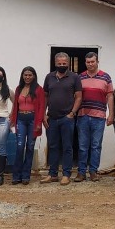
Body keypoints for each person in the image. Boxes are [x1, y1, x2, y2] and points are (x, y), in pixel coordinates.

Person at [41, 53, 82, 185]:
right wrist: (44, 114)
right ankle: (52, 174)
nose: (62, 65)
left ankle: (66, 174)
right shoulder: (49, 77)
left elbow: (79, 97)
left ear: (68, 64)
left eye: (64, 63)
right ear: (55, 63)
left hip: (67, 118)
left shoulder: (74, 77)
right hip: (52, 118)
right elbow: (45, 96)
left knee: (67, 147)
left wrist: (72, 113)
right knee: (53, 146)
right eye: (59, 63)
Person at [76, 52, 114, 182]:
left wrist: (111, 114)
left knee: (96, 145)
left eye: (93, 61)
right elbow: (76, 96)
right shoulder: (80, 77)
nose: (90, 64)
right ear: (85, 63)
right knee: (82, 145)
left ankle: (93, 171)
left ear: (97, 62)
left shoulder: (106, 77)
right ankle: (81, 172)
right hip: (83, 115)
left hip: (99, 116)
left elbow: (110, 96)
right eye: (88, 62)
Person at [10, 66, 45, 185]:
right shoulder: (18, 88)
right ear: (22, 76)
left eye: (30, 75)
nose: (27, 77)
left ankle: (26, 176)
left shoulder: (39, 89)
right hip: (20, 119)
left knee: (30, 147)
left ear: (34, 76)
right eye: (25, 75)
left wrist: (39, 123)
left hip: (33, 120)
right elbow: (15, 106)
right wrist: (12, 120)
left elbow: (41, 107)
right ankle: (16, 175)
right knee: (20, 147)